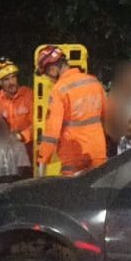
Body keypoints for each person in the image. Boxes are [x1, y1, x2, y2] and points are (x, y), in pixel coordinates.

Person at [36, 45, 107, 176]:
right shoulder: (93, 82)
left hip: (73, 155)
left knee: (72, 195)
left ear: (52, 69)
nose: (49, 78)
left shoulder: (59, 90)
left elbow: (52, 132)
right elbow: (106, 117)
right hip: (98, 151)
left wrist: (43, 160)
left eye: (46, 74)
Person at [0, 58, 34, 154]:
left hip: (29, 153)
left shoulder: (30, 96)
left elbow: (39, 125)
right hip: (5, 155)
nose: (12, 82)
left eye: (13, 77)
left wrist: (21, 136)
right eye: (6, 79)